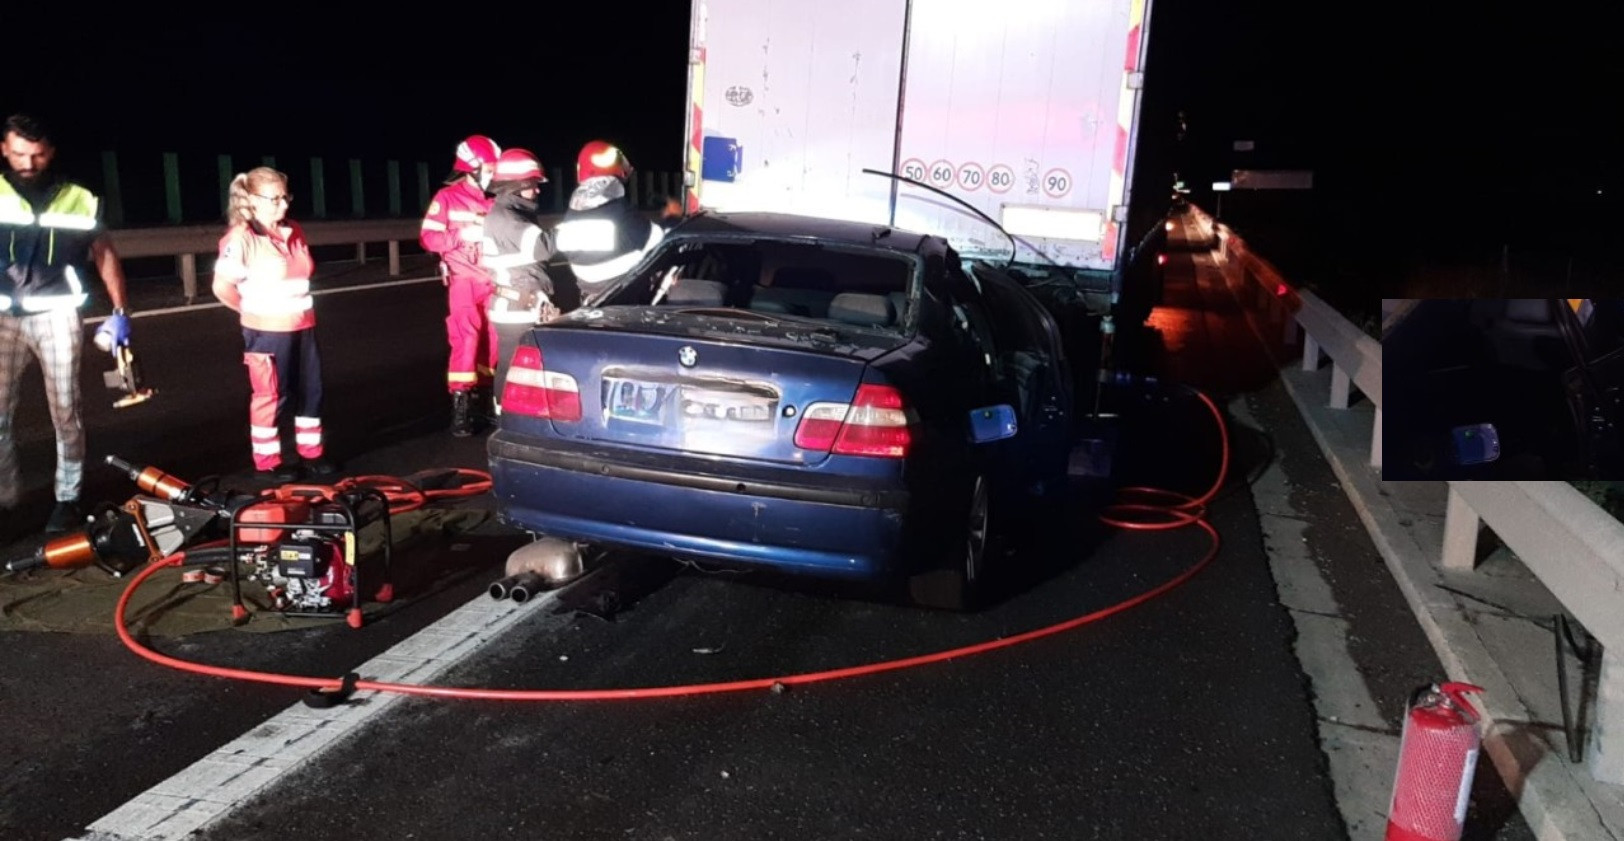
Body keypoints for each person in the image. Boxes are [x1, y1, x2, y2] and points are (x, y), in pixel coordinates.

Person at [0, 113, 131, 534]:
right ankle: (5, 494)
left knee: (66, 411)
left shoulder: (79, 197)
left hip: (57, 314)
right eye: (20, 153)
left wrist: (120, 312)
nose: (28, 162)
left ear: (50, 152)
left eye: (37, 154)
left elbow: (105, 254)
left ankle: (67, 498)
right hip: (2, 316)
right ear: (4, 149)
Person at [211, 166, 335, 483]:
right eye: (275, 199)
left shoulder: (294, 230)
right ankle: (267, 461)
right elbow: (222, 287)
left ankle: (312, 454)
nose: (284, 205)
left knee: (311, 391)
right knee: (271, 395)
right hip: (266, 331)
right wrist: (253, 312)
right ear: (252, 200)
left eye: (286, 196)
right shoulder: (240, 239)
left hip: (303, 326)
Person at [420, 134, 501, 437]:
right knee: (466, 338)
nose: (495, 174)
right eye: (490, 168)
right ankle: (461, 406)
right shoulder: (447, 199)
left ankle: (487, 400)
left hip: (495, 280)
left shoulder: (497, 200)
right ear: (473, 168)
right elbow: (428, 238)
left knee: (494, 340)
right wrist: (461, 236)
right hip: (464, 280)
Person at [479, 148, 558, 414]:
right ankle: (507, 419)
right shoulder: (508, 218)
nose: (536, 191)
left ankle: (512, 416)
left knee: (519, 367)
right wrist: (580, 227)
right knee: (514, 367)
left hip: (519, 305)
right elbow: (543, 246)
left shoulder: (510, 212)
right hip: (516, 309)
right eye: (532, 185)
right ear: (517, 185)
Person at [554, 140, 670, 306]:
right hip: (625, 300)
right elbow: (657, 239)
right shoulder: (620, 213)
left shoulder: (572, 214)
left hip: (590, 298)